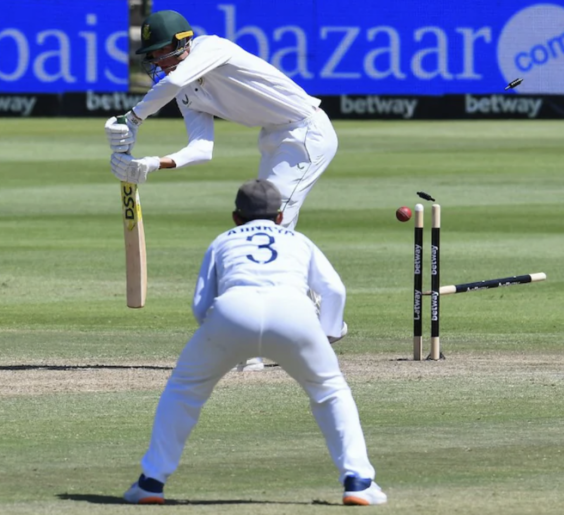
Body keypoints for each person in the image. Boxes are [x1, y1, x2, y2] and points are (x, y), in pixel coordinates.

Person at [122, 179, 387, 507]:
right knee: (331, 391)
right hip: (294, 313)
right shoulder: (299, 240)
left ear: (236, 217)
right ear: (279, 217)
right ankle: (358, 483)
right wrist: (326, 334)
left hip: (233, 310)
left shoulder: (222, 240)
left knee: (183, 390)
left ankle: (151, 482)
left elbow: (200, 305)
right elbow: (335, 291)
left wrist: (220, 337)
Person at [105, 10, 338, 371]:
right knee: (271, 231)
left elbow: (172, 81)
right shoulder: (182, 88)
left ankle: (263, 342)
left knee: (268, 231)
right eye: (151, 56)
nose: (157, 62)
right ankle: (323, 323)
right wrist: (152, 163)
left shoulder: (211, 49)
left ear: (183, 42)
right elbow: (202, 148)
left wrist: (132, 118)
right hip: (275, 140)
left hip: (306, 133)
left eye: (161, 53)